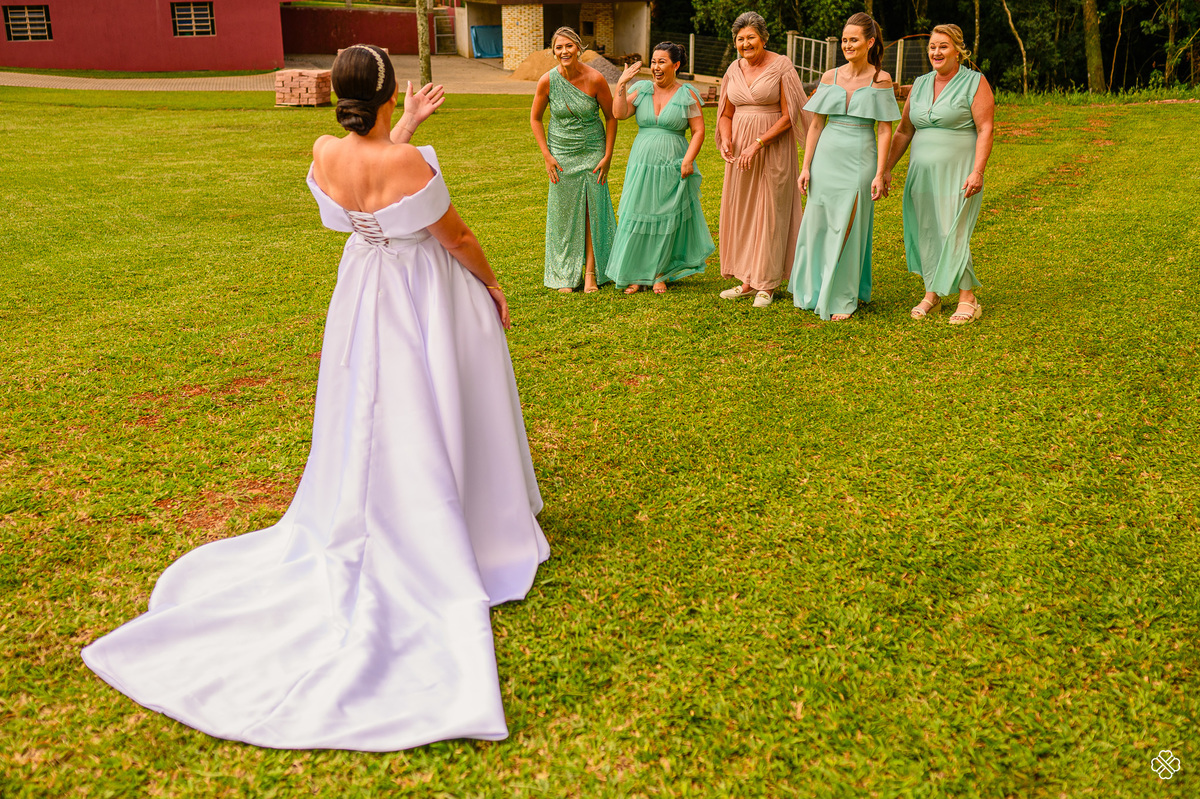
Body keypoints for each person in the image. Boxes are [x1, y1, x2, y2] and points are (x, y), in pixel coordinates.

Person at [81, 44, 550, 752]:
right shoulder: (408, 164)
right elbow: (453, 233)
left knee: (373, 405)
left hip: (363, 288)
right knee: (428, 393)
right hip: (421, 290)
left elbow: (368, 181)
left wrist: (405, 125)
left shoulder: (327, 149)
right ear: (390, 89)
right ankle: (451, 507)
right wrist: (492, 282)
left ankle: (386, 495)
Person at [789, 13, 900, 321]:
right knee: (820, 223)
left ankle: (842, 295)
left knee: (850, 225)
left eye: (854, 40)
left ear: (870, 42)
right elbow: (815, 125)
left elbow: (885, 129)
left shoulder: (882, 79)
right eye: (845, 40)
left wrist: (880, 171)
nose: (848, 45)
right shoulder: (829, 77)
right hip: (826, 158)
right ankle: (812, 289)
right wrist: (806, 166)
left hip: (860, 158)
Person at [884, 24, 994, 324]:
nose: (936, 52)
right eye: (932, 46)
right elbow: (905, 130)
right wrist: (886, 170)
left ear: (958, 50)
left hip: (959, 172)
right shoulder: (919, 84)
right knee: (928, 230)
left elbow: (985, 129)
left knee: (952, 229)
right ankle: (931, 293)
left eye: (943, 46)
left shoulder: (974, 82)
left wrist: (978, 171)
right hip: (922, 173)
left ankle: (967, 296)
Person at [715, 12, 810, 308]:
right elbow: (726, 113)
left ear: (764, 38)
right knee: (744, 212)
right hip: (740, 152)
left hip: (771, 148)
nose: (745, 43)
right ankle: (746, 280)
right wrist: (728, 138)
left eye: (751, 37)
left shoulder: (781, 65)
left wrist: (758, 143)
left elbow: (789, 115)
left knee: (770, 211)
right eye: (740, 39)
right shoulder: (733, 68)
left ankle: (767, 284)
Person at [608, 42, 714, 294]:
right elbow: (619, 113)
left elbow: (698, 130)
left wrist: (688, 159)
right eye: (653, 62)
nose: (655, 67)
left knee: (665, 218)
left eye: (661, 62)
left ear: (675, 65)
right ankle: (636, 274)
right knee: (638, 214)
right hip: (642, 163)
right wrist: (621, 84)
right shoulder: (642, 89)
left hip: (672, 163)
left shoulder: (687, 94)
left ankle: (658, 273)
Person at [530, 26, 618, 293]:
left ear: (579, 48)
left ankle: (590, 272)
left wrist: (607, 155)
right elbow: (535, 119)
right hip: (561, 154)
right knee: (564, 214)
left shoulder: (596, 79)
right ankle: (566, 275)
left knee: (593, 210)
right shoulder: (546, 81)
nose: (564, 51)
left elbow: (611, 116)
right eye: (559, 47)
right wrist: (547, 156)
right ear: (553, 51)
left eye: (569, 46)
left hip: (593, 150)